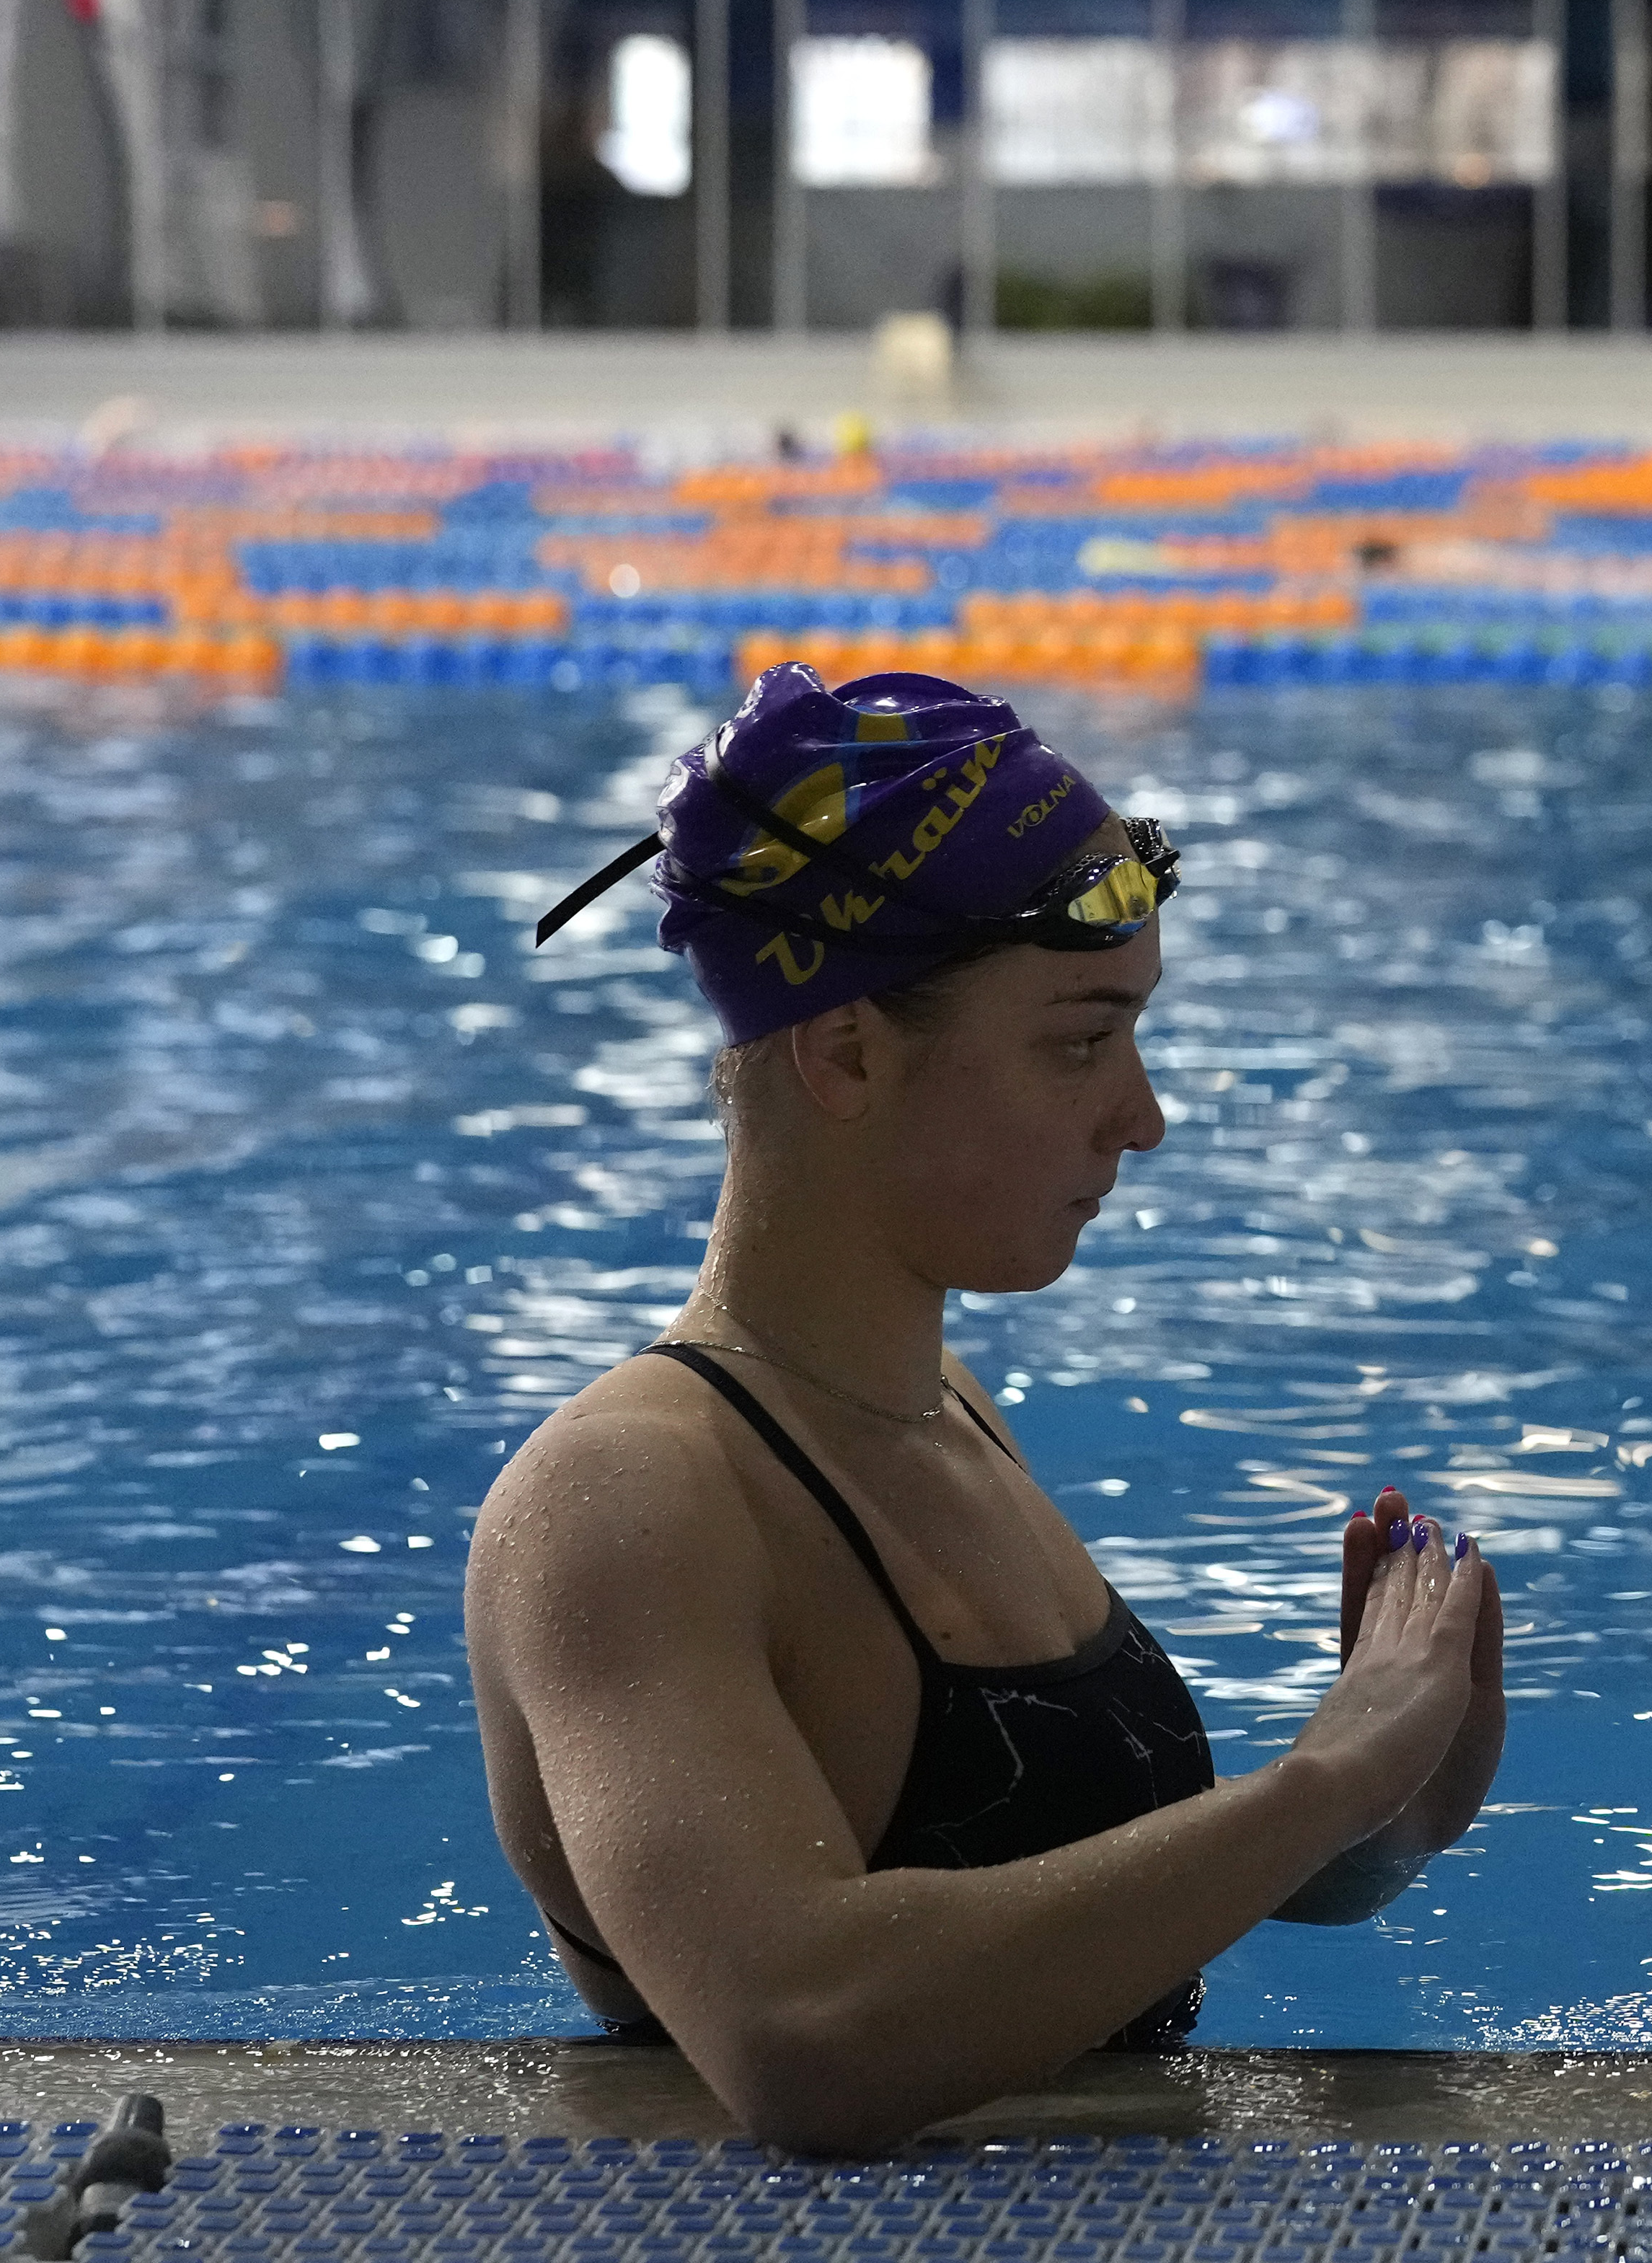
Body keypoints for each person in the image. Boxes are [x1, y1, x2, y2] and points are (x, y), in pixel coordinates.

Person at [467, 667, 1506, 2153]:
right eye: (1080, 1040)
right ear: (846, 1053)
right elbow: (803, 2034)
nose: (1140, 1114)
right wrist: (1319, 1778)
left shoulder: (935, 1408)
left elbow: (1078, 1913)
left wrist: (1390, 1795)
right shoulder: (634, 1500)